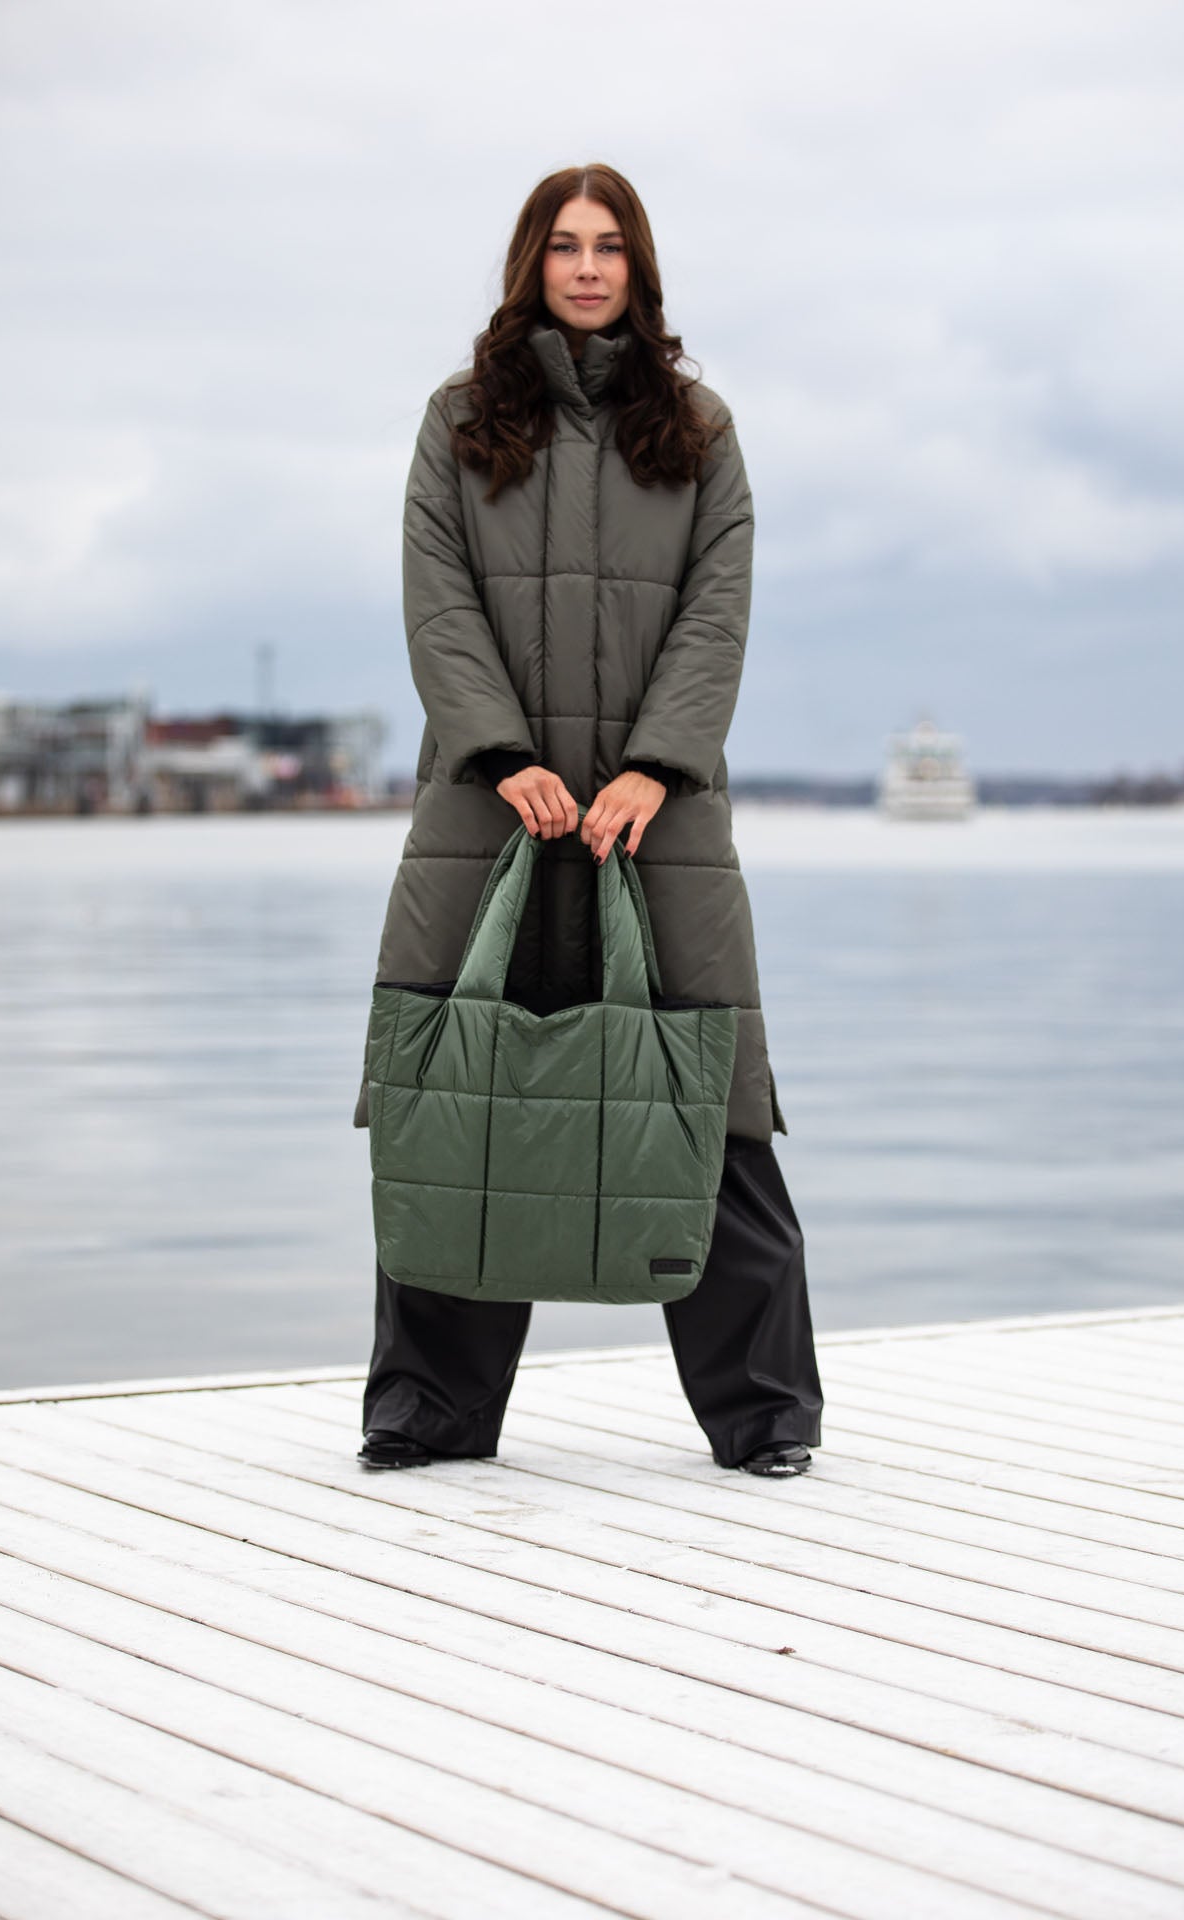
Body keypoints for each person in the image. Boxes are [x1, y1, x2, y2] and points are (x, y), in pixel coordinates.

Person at [352, 163, 823, 1477]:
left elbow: (716, 616)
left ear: (641, 266)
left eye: (611, 246)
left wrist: (653, 770)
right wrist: (500, 753)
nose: (589, 266)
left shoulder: (698, 425)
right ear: (530, 263)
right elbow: (436, 601)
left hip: (651, 830)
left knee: (705, 1107)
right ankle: (428, 1414)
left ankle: (767, 1416)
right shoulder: (458, 421)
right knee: (459, 1100)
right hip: (487, 819)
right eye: (564, 245)